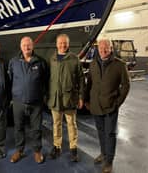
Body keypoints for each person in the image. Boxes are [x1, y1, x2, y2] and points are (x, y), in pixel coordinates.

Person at [86, 39, 130, 173]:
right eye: (100, 48)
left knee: (110, 133)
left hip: (110, 106)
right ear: (98, 49)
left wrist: (117, 102)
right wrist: (87, 100)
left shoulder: (120, 65)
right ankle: (104, 153)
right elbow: (89, 84)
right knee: (100, 132)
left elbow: (126, 85)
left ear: (111, 48)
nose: (103, 50)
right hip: (95, 106)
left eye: (106, 48)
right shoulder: (93, 64)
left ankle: (109, 161)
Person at [8, 36, 48, 164]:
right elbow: (10, 79)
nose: (27, 47)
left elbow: (46, 80)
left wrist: (44, 96)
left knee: (36, 128)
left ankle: (37, 151)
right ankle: (19, 151)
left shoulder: (40, 62)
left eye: (29, 45)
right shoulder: (13, 62)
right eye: (24, 45)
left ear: (33, 46)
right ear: (20, 47)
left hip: (36, 102)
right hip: (18, 102)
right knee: (18, 127)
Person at [47, 34, 85, 162]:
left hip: (70, 98)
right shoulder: (51, 59)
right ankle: (57, 147)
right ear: (56, 44)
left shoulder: (74, 59)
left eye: (65, 43)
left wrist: (80, 96)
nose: (62, 45)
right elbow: (48, 79)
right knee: (56, 123)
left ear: (68, 44)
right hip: (55, 98)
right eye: (60, 43)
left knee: (71, 124)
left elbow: (80, 78)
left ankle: (73, 148)